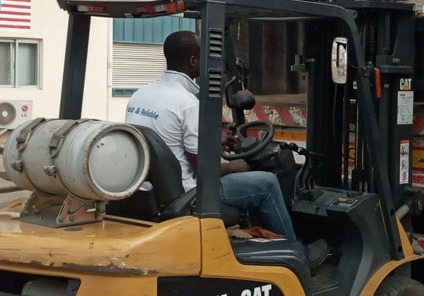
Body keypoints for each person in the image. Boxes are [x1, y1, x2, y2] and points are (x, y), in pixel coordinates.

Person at [124, 31, 297, 240]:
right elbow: (207, 172)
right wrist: (241, 165)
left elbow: (170, 139)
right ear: (193, 60)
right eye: (204, 56)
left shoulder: (140, 95)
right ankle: (293, 250)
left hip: (150, 192)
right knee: (267, 182)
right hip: (188, 195)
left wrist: (217, 140)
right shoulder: (187, 104)